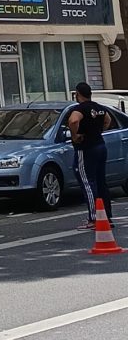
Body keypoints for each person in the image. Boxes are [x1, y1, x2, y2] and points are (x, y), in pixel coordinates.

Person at [67, 81, 113, 229]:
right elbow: (108, 120)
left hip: (85, 148)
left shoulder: (79, 108)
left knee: (87, 181)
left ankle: (94, 217)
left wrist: (75, 136)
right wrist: (98, 130)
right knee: (101, 181)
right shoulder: (99, 108)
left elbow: (73, 120)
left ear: (77, 94)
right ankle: (106, 215)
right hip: (100, 145)